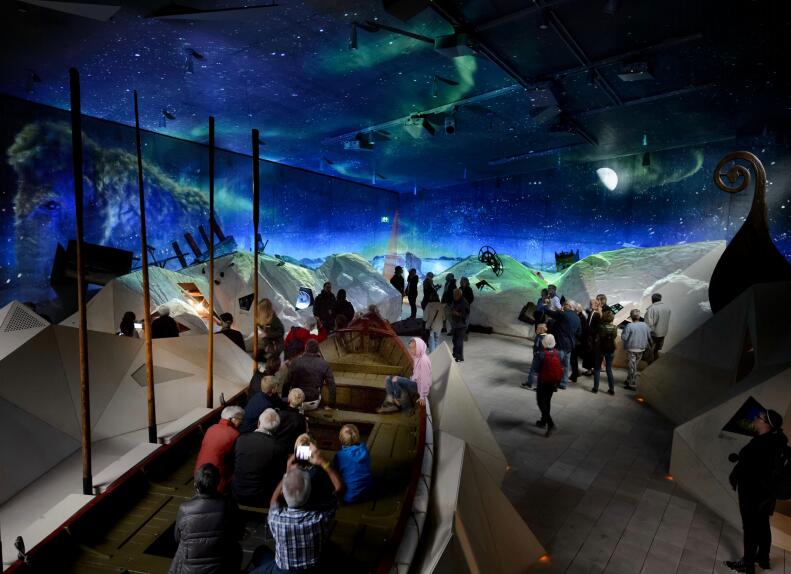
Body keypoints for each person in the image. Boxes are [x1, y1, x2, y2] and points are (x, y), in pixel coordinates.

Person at [249, 445, 343, 574]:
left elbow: (273, 500)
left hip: (282, 571)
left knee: (260, 553)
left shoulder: (275, 518)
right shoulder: (320, 518)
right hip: (311, 570)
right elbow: (339, 489)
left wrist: (288, 472)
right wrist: (323, 462)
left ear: (283, 493)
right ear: (309, 493)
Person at [726, 410, 788, 574]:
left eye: (758, 417)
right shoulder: (774, 440)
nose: (755, 418)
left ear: (766, 425)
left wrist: (740, 470)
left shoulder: (763, 445)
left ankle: (747, 564)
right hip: (766, 495)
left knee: (750, 528)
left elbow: (753, 469)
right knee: (762, 524)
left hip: (753, 494)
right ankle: (763, 558)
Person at [169, 463, 242, 574]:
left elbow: (177, 538)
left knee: (183, 546)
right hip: (221, 568)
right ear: (218, 483)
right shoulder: (229, 504)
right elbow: (238, 533)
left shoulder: (185, 509)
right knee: (236, 548)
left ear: (195, 485)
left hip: (189, 571)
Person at [231, 409, 288, 507]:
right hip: (263, 498)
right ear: (276, 429)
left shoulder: (241, 439)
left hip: (237, 493)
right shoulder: (278, 447)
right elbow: (280, 475)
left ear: (258, 423)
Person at [194, 406, 244, 494]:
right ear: (232, 419)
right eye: (240, 419)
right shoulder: (234, 434)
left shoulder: (211, 428)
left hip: (198, 474)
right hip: (217, 479)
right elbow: (237, 459)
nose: (242, 422)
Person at [378, 337, 432, 413]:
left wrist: (422, 396)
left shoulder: (423, 361)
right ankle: (390, 400)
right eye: (410, 348)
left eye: (414, 348)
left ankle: (397, 402)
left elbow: (425, 380)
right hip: (414, 382)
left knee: (395, 379)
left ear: (420, 347)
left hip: (419, 387)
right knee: (388, 378)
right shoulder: (418, 357)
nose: (411, 350)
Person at [282, 339, 336, 410]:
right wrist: (331, 405)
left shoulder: (295, 362)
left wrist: (284, 399)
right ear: (318, 350)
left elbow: (287, 382)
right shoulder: (324, 364)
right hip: (313, 401)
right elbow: (332, 385)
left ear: (305, 348)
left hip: (295, 400)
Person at [544, 301, 581, 389]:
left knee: (556, 364)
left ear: (569, 306)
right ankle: (564, 383)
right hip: (570, 345)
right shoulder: (577, 318)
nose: (563, 306)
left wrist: (545, 305)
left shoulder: (563, 314)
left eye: (565, 304)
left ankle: (553, 383)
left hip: (560, 343)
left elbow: (548, 312)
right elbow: (579, 333)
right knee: (566, 365)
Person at [333, 424, 373, 504]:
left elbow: (336, 474)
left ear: (340, 438)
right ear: (357, 436)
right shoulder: (364, 450)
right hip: (368, 494)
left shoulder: (339, 456)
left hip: (349, 498)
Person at [533, 334, 562, 437]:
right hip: (553, 382)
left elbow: (535, 369)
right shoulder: (559, 353)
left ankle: (550, 423)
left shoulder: (541, 354)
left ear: (544, 343)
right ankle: (543, 421)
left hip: (543, 381)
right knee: (547, 401)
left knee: (540, 402)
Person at [620, 309, 651, 390]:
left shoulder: (629, 326)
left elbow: (624, 338)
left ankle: (632, 384)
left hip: (632, 349)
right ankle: (629, 379)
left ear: (631, 316)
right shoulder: (645, 325)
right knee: (634, 365)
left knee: (632, 367)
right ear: (639, 316)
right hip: (642, 349)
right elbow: (649, 336)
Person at [592, 309, 617, 394]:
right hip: (611, 348)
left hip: (600, 349)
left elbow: (598, 337)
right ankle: (611, 389)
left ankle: (595, 388)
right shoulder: (615, 327)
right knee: (609, 369)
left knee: (597, 368)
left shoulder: (600, 326)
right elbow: (614, 337)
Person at [274, 388, 308, 453]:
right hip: (291, 450)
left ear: (288, 399)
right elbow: (302, 439)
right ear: (301, 403)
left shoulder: (279, 414)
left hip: (275, 448)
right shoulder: (301, 419)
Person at [644, 293, 671, 360]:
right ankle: (655, 359)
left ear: (652, 300)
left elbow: (648, 324)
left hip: (653, 333)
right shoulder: (667, 308)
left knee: (649, 349)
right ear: (660, 299)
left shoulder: (652, 309)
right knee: (657, 348)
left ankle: (649, 362)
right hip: (663, 332)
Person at [521, 323, 547, 390]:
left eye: (537, 328)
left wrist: (535, 352)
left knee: (532, 370)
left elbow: (536, 346)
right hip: (545, 355)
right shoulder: (547, 336)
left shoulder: (538, 337)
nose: (536, 329)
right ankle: (540, 386)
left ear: (540, 329)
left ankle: (529, 384)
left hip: (538, 354)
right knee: (541, 371)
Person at [581, 298, 602, 376]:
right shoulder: (594, 313)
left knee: (589, 354)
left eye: (591, 304)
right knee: (591, 354)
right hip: (592, 337)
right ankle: (590, 369)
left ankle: (589, 370)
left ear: (595, 305)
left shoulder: (595, 314)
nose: (590, 305)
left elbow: (592, 326)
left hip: (591, 337)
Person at [450, 288, 469, 362]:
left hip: (462, 325)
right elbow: (452, 307)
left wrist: (457, 314)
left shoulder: (464, 302)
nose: (454, 296)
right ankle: (455, 353)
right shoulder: (454, 301)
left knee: (459, 341)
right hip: (455, 324)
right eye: (454, 294)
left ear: (459, 294)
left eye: (455, 294)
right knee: (454, 340)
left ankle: (460, 357)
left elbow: (466, 314)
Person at [423, 289, 444, 353]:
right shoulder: (441, 305)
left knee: (431, 341)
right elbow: (444, 317)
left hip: (431, 326)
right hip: (439, 326)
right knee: (437, 340)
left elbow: (425, 318)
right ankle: (436, 354)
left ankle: (432, 355)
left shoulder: (429, 305)